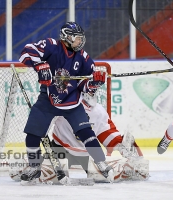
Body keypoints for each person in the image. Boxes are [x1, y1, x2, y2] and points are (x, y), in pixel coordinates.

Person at [18, 21, 114, 185]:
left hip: (72, 101)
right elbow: (25, 53)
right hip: (47, 99)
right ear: (67, 37)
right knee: (33, 134)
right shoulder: (51, 45)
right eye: (77, 38)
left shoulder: (83, 58)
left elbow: (85, 87)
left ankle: (101, 163)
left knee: (86, 132)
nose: (80, 42)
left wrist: (94, 83)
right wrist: (40, 65)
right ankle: (34, 166)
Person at [9, 92, 149, 183]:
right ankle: (29, 165)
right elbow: (44, 121)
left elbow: (106, 133)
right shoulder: (64, 104)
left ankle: (129, 168)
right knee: (49, 176)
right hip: (60, 149)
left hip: (85, 154)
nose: (92, 91)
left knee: (101, 176)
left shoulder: (98, 111)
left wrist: (119, 145)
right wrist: (41, 125)